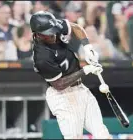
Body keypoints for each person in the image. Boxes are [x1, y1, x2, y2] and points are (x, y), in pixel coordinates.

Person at [30, 11, 111, 139]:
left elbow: (75, 27)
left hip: (80, 90)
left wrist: (87, 47)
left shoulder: (54, 27)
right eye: (48, 34)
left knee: (102, 134)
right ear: (38, 35)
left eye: (53, 31)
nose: (53, 35)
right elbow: (59, 84)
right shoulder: (42, 57)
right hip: (62, 97)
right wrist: (84, 70)